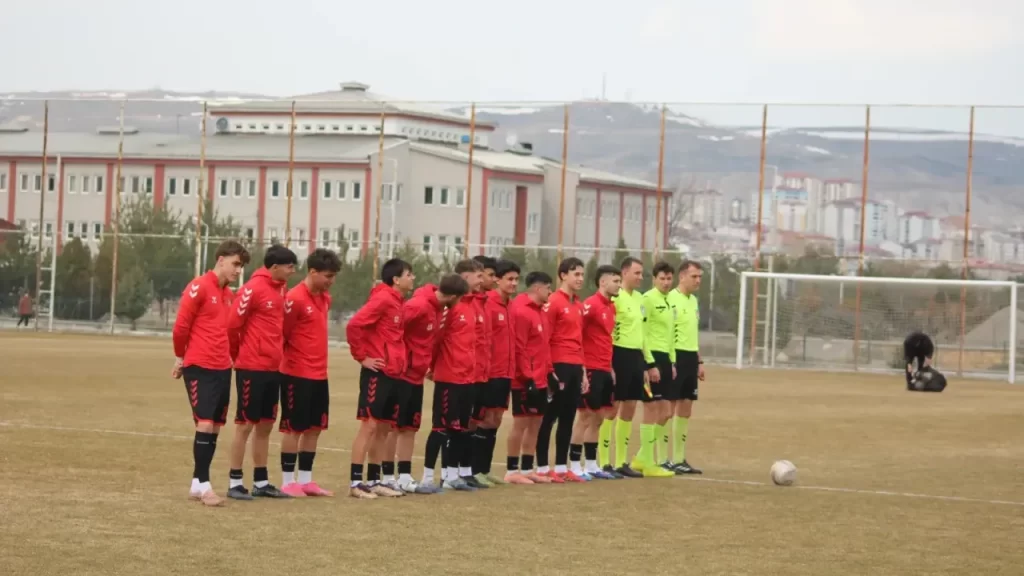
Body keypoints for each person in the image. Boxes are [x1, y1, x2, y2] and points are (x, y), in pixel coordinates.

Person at [171, 240, 250, 507]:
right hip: (200, 366)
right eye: (235, 264)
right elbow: (181, 327)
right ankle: (205, 486)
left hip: (222, 367)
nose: (238, 270)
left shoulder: (228, 295)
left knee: (215, 426)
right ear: (220, 260)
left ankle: (197, 484)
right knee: (204, 423)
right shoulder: (199, 287)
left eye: (241, 266)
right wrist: (180, 357)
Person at [225, 244, 297, 500]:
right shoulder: (251, 289)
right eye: (289, 267)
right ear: (274, 267)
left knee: (266, 425)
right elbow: (232, 325)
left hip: (273, 368)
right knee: (245, 425)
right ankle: (235, 482)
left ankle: (261, 481)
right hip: (251, 367)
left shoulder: (282, 289)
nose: (292, 271)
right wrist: (238, 356)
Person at [391, 273, 470, 494]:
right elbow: (392, 330)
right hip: (401, 375)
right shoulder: (418, 305)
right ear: (453, 296)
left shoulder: (438, 309)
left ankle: (404, 477)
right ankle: (385, 477)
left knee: (410, 428)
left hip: (416, 376)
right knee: (392, 428)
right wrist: (398, 359)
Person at [345, 258, 414, 499]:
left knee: (384, 428)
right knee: (370, 426)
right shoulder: (383, 299)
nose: (412, 278)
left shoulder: (399, 302)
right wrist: (362, 357)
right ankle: (356, 483)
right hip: (378, 373)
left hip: (394, 372)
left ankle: (374, 480)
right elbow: (354, 325)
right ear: (396, 279)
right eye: (409, 274)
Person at [277, 248, 341, 498]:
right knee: (293, 428)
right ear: (313, 272)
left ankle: (305, 480)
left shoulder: (325, 299)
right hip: (296, 373)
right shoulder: (294, 298)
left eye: (334, 276)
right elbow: (283, 334)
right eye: (328, 276)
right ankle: (287, 481)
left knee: (314, 428)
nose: (331, 281)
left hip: (319, 374)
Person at [429, 259, 482, 491]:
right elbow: (435, 340)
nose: (481, 280)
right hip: (450, 377)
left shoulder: (470, 307)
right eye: (477, 275)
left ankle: (453, 476)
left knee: (460, 428)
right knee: (444, 428)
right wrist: (430, 367)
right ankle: (434, 476)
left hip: (468, 378)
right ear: (464, 277)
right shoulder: (449, 309)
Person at [536, 257, 588, 483]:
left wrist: (583, 370)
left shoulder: (578, 304)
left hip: (575, 366)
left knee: (568, 417)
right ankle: (542, 467)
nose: (580, 279)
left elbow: (580, 340)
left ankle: (560, 466)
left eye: (582, 274)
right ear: (563, 276)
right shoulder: (553, 302)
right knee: (549, 417)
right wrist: (549, 370)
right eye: (576, 274)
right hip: (558, 366)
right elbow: (544, 339)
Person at [570, 264, 622, 480]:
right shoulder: (590, 305)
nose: (619, 285)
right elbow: (577, 334)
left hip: (604, 368)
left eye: (620, 281)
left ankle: (591, 464)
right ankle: (574, 465)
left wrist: (610, 367)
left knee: (600, 416)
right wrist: (582, 367)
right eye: (616, 281)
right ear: (603, 282)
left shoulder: (612, 307)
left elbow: (606, 339)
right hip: (590, 367)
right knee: (585, 416)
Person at [505, 271, 555, 485]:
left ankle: (527, 468)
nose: (550, 292)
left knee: (536, 423)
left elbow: (543, 346)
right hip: (525, 379)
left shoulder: (541, 312)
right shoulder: (521, 310)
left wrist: (550, 372)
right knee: (521, 423)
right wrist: (527, 377)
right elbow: (519, 347)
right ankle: (511, 470)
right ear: (537, 288)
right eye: (548, 288)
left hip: (541, 377)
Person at [474, 259, 520, 486]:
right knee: (483, 420)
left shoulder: (511, 305)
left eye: (516, 279)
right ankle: (474, 469)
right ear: (498, 280)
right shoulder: (488, 303)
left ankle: (484, 468)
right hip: (490, 373)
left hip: (506, 373)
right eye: (509, 279)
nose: (514, 283)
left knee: (496, 420)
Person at [601, 257, 646, 478]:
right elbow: (608, 331)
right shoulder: (615, 299)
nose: (640, 277)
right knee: (612, 407)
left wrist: (646, 363)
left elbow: (643, 332)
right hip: (618, 353)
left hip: (636, 356)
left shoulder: (640, 299)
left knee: (630, 407)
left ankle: (621, 462)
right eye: (636, 273)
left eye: (641, 274)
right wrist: (609, 362)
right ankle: (603, 462)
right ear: (624, 273)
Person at [630, 261, 676, 478]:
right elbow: (643, 333)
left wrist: (672, 362)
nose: (666, 282)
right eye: (662, 278)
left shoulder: (669, 301)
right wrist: (649, 364)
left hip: (665, 358)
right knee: (651, 409)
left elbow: (669, 334)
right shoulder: (647, 299)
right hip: (652, 358)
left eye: (669, 278)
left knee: (666, 412)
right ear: (654, 279)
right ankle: (648, 463)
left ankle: (642, 456)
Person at [664, 260, 705, 474]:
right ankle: (660, 458)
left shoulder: (694, 301)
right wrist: (669, 360)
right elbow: (666, 331)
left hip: (690, 357)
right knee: (667, 409)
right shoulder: (670, 298)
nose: (698, 280)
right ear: (682, 277)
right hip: (675, 356)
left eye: (700, 277)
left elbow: (692, 333)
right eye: (694, 276)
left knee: (686, 407)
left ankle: (679, 459)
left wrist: (699, 361)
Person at [467, 255, 497, 488]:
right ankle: (465, 470)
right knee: (467, 423)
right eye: (489, 275)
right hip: (467, 373)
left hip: (488, 372)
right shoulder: (467, 303)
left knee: (486, 420)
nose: (492, 279)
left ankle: (479, 470)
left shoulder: (486, 302)